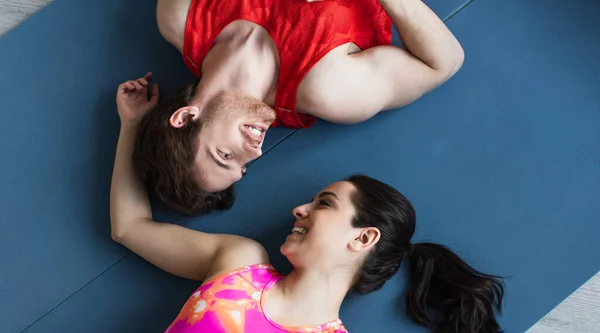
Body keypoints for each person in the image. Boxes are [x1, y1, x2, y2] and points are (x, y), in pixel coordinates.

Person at [84, 76, 504, 333]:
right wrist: (132, 125)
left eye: (324, 204)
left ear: (362, 238)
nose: (299, 210)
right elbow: (130, 228)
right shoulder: (238, 262)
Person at [130, 0, 465, 215]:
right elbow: (444, 63)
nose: (256, 152)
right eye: (244, 167)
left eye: (226, 155)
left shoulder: (180, 15)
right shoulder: (330, 91)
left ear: (186, 116)